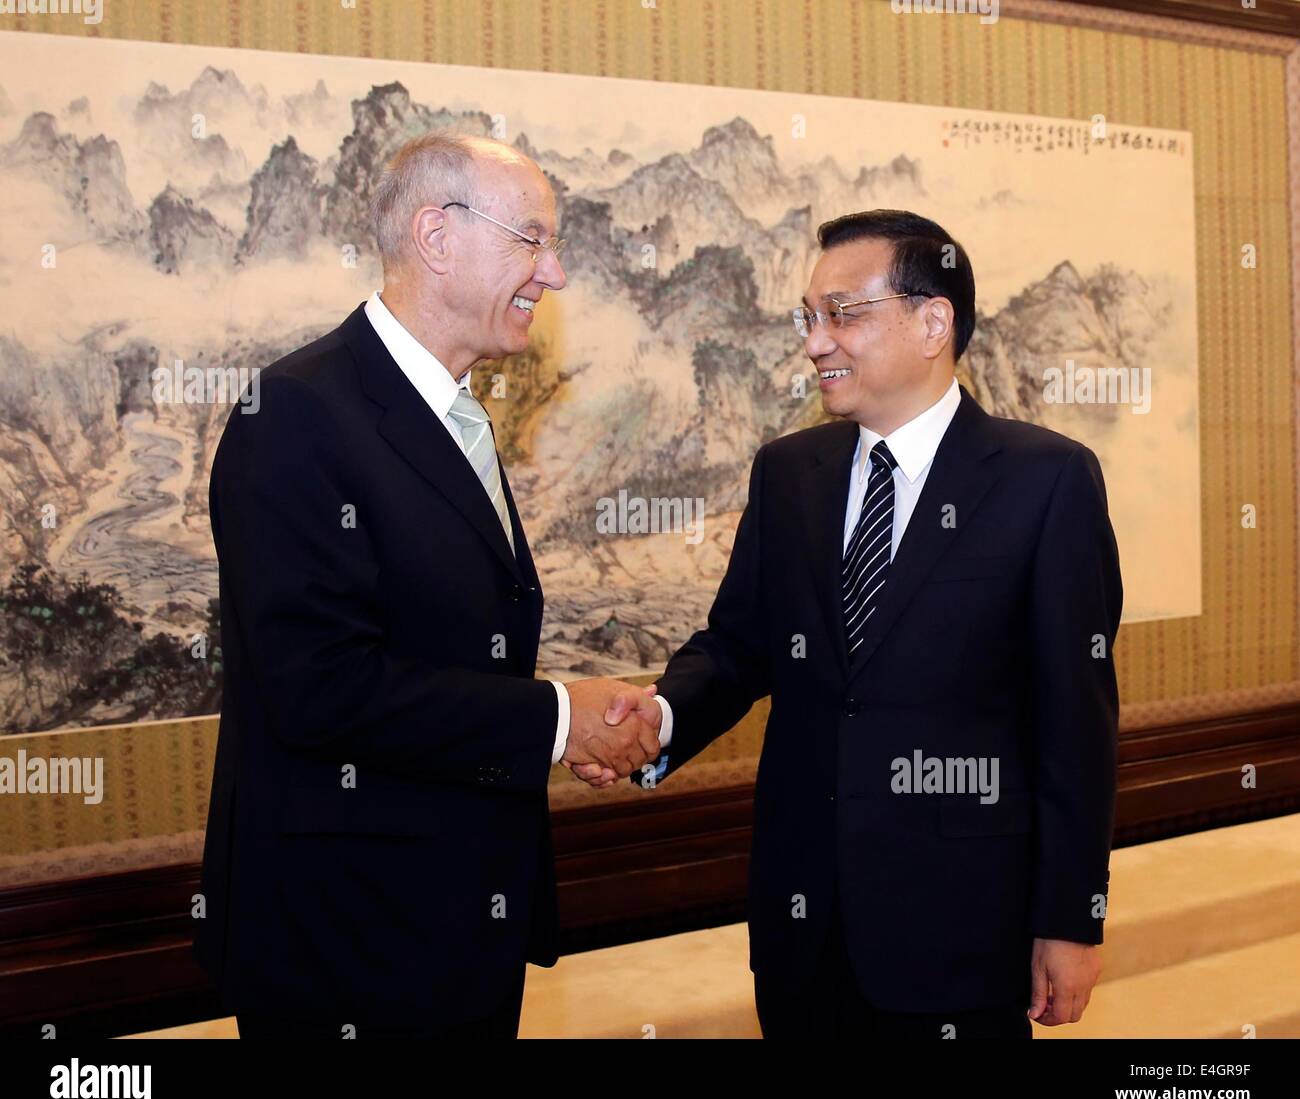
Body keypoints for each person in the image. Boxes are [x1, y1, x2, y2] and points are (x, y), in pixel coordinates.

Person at [591, 209, 1123, 1039]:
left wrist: (1071, 919)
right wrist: (656, 721)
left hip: (961, 930)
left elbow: (1076, 726)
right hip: (803, 929)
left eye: (842, 314)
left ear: (932, 321)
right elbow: (738, 647)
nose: (815, 342)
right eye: (809, 317)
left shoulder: (1045, 481)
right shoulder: (789, 473)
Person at [195, 131, 664, 1039]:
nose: (555, 272)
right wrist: (563, 720)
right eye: (532, 239)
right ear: (437, 237)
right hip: (345, 947)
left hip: (454, 927)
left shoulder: (457, 413)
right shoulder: (295, 413)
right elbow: (322, 691)